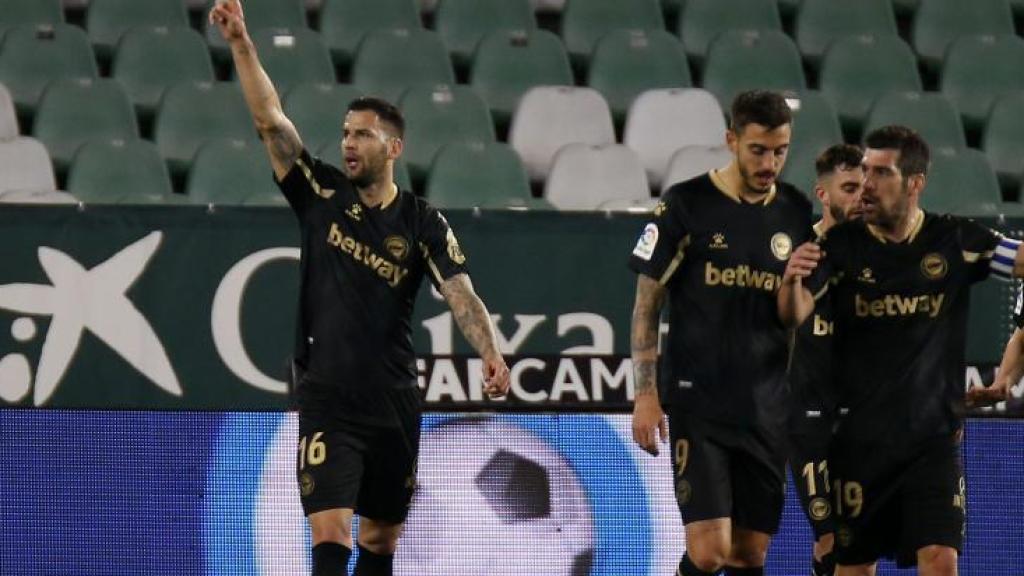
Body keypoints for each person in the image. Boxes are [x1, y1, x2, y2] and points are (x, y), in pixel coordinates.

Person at [209, 2, 511, 575]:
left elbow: (460, 291)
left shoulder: (422, 221)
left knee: (379, 542)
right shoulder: (319, 194)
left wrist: (491, 351)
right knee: (331, 531)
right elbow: (271, 121)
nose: (348, 143)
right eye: (346, 133)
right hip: (327, 394)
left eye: (363, 135)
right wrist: (241, 43)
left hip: (393, 399)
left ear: (393, 148)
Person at [778, 125, 1024, 575]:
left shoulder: (955, 241)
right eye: (864, 171)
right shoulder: (838, 247)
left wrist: (1009, 373)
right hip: (857, 444)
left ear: (915, 183)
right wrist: (792, 281)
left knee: (940, 559)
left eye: (881, 173)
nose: (867, 184)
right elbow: (793, 315)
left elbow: (1019, 259)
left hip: (932, 441)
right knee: (853, 566)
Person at [630, 90, 814, 576]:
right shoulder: (686, 205)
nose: (770, 162)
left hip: (766, 406)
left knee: (749, 555)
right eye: (758, 149)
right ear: (731, 140)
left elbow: (794, 318)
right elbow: (648, 303)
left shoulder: (795, 213)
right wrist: (645, 394)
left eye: (780, 151)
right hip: (700, 401)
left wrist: (795, 283)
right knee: (710, 552)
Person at [786, 144, 865, 576]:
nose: (858, 198)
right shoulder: (799, 255)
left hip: (863, 421)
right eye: (848, 188)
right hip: (809, 419)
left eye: (864, 189)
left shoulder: (878, 256)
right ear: (823, 193)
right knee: (832, 540)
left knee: (852, 546)